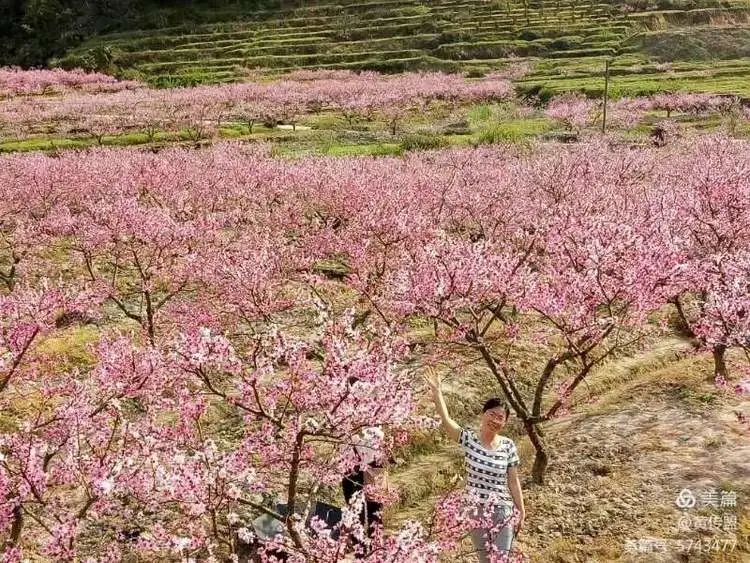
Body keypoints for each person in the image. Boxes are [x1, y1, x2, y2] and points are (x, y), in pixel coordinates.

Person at [424, 366, 525, 563]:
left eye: (500, 418)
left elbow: (513, 481)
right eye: (492, 414)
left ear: (504, 422)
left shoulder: (508, 445)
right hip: (475, 509)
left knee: (501, 559)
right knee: (485, 560)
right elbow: (447, 421)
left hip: (502, 510)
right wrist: (437, 394)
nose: (495, 420)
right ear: (483, 414)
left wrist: (521, 509)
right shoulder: (469, 440)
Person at [341, 425, 387, 543]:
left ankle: (360, 544)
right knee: (373, 511)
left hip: (352, 473)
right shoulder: (374, 432)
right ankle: (375, 543)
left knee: (357, 511)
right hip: (368, 474)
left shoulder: (344, 433)